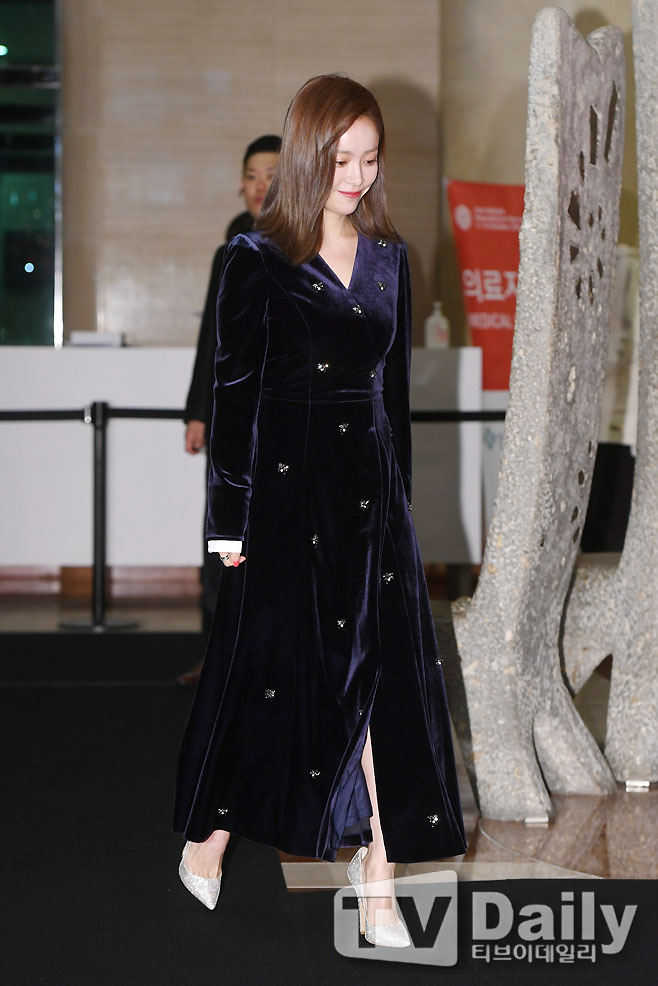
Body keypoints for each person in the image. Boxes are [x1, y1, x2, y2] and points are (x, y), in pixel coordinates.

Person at [173, 75, 466, 947]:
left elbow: (392, 399)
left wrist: (403, 511)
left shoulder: (390, 259)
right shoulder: (256, 260)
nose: (358, 176)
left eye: (371, 160)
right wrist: (228, 524)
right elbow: (234, 400)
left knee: (381, 687)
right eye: (343, 160)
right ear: (309, 156)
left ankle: (379, 885)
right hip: (283, 499)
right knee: (272, 680)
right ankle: (211, 835)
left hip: (370, 502)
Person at [179, 136, 281, 685]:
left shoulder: (309, 247)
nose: (261, 186)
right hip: (231, 422)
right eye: (252, 175)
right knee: (223, 538)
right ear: (240, 185)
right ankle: (217, 657)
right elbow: (211, 341)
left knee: (280, 539)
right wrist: (199, 412)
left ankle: (275, 658)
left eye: (272, 174)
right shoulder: (230, 252)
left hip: (287, 418)